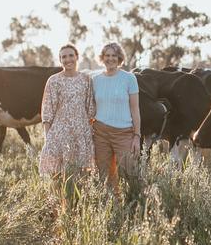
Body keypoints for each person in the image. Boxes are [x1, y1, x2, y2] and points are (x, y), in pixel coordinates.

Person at [39, 44, 96, 176]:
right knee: (56, 173)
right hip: (60, 132)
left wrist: (89, 132)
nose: (68, 59)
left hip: (81, 131)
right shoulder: (54, 81)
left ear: (77, 57)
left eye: (71, 55)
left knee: (81, 173)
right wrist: (48, 137)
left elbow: (90, 108)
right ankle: (59, 196)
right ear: (60, 60)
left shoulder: (86, 79)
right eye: (64, 57)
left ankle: (79, 196)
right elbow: (47, 110)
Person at [91, 42, 141, 189]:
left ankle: (135, 205)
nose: (110, 58)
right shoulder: (95, 80)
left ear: (119, 58)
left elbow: (135, 109)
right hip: (100, 133)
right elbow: (91, 107)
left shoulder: (129, 78)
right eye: (107, 55)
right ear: (102, 58)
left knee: (130, 173)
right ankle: (112, 207)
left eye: (114, 55)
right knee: (104, 176)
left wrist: (137, 136)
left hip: (123, 133)